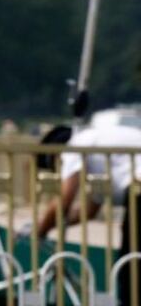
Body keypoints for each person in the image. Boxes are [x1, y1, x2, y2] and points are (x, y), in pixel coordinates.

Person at [33, 124, 141, 305]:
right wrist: (56, 223)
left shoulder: (75, 147)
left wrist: (40, 230)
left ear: (56, 155)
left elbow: (64, 199)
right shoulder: (97, 151)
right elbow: (89, 210)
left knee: (131, 267)